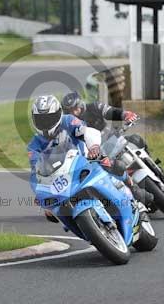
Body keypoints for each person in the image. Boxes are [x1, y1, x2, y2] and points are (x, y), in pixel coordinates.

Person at [28, 95, 156, 222]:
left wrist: (94, 148)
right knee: (52, 214)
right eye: (41, 120)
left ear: (58, 114)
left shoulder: (68, 121)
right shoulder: (34, 145)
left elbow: (87, 132)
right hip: (63, 177)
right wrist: (41, 196)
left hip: (86, 159)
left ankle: (134, 190)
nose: (45, 123)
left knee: (113, 164)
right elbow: (36, 172)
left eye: (49, 118)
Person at [61, 91, 149, 152]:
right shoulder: (68, 126)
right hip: (97, 154)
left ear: (80, 104)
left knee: (136, 139)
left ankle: (152, 164)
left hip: (113, 139)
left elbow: (110, 111)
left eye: (75, 108)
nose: (74, 113)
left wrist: (125, 114)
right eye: (70, 111)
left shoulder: (94, 107)